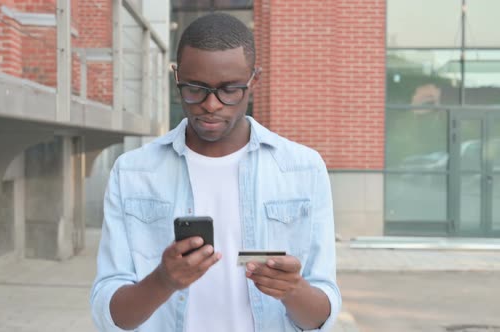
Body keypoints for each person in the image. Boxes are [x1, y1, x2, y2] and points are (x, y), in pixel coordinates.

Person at [91, 13, 341, 332]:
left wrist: (293, 290)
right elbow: (109, 316)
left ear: (254, 81)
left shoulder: (302, 169)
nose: (211, 105)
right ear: (176, 76)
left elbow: (320, 317)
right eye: (195, 89)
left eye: (230, 89)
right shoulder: (133, 172)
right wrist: (162, 281)